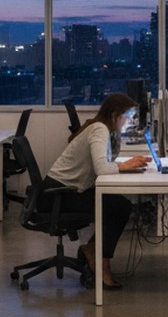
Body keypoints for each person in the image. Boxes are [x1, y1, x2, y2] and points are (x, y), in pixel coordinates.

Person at [42, 93, 149, 289]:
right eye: (128, 117)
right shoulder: (99, 129)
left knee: (119, 205)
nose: (130, 122)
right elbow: (102, 169)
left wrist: (125, 165)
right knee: (119, 207)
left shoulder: (104, 129)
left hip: (66, 190)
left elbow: (104, 163)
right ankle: (99, 260)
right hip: (58, 194)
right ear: (115, 115)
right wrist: (125, 165)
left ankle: (93, 250)